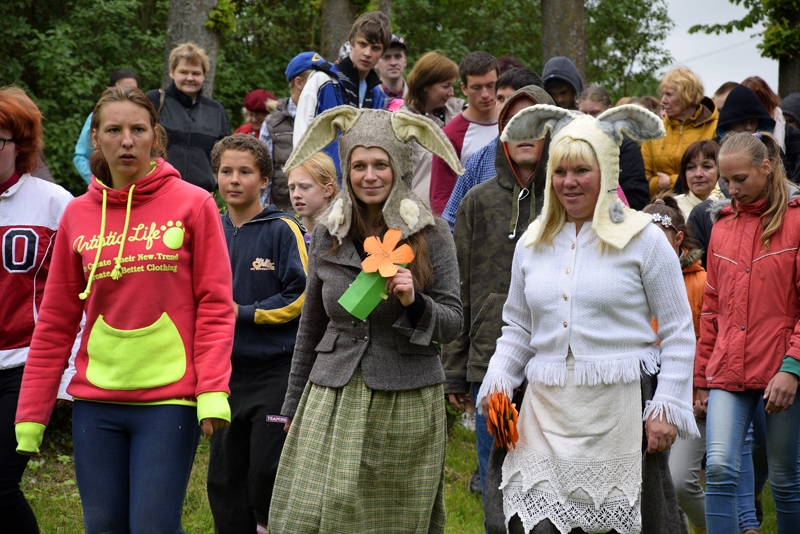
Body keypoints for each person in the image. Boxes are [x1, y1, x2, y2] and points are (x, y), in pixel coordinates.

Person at [14, 85, 234, 533]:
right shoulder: (76, 214)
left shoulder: (195, 204)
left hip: (168, 399)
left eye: (138, 129)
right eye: (114, 130)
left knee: (153, 526)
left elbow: (215, 305)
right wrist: (32, 413)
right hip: (96, 403)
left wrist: (213, 388)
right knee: (104, 526)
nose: (127, 140)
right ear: (96, 139)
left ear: (156, 135)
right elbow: (55, 322)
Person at [478, 103, 697, 534]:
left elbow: (677, 331)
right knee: (532, 524)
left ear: (607, 172)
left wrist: (668, 405)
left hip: (617, 409)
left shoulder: (645, 241)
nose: (569, 182)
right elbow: (518, 326)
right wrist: (499, 378)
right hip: (544, 408)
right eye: (560, 172)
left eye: (582, 170)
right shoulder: (532, 242)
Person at [267, 106, 463, 533]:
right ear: (348, 170)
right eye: (359, 165)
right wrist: (290, 408)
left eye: (381, 164)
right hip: (331, 396)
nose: (369, 176)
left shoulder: (432, 234)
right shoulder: (328, 233)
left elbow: (452, 324)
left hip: (404, 399)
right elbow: (310, 327)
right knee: (310, 515)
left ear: (399, 168)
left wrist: (416, 302)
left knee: (389, 520)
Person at [442, 84, 553, 510]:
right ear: (502, 132)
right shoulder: (476, 201)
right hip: (492, 367)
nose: (524, 133)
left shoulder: (571, 197)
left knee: (547, 471)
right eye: (514, 123)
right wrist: (456, 369)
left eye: (536, 123)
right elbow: (459, 292)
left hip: (555, 364)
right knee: (498, 466)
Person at [695, 131, 800, 534]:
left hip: (782, 369)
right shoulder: (721, 226)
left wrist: (792, 368)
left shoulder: (795, 220)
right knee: (719, 468)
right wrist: (702, 377)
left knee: (786, 481)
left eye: (740, 179)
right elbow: (712, 308)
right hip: (728, 367)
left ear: (767, 167)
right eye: (726, 180)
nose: (731, 190)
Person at [207, 134, 307, 534]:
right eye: (226, 171)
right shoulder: (209, 226)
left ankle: (268, 525)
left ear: (264, 179)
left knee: (266, 468)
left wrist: (243, 313)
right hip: (224, 372)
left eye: (245, 172)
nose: (234, 180)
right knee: (223, 476)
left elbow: (301, 296)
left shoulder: (283, 228)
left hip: (275, 371)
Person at [0, 86, 75, 534]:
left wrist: (67, 371)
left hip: (24, 366)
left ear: (20, 144)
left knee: (2, 485)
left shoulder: (53, 203)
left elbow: (79, 293)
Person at [642, 194, 708, 534]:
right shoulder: (634, 275)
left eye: (659, 236)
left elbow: (698, 338)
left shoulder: (699, 281)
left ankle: (720, 525)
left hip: (686, 392)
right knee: (658, 478)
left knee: (679, 477)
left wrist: (700, 387)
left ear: (678, 238)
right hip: (643, 390)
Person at [442, 68, 543, 231]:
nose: (504, 106)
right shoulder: (477, 161)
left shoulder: (560, 160)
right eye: (500, 98)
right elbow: (450, 224)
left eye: (512, 98)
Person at [292, 12, 391, 171]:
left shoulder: (377, 96)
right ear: (351, 43)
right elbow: (301, 137)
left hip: (360, 185)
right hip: (321, 182)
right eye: (363, 44)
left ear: (382, 52)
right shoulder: (322, 80)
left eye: (375, 48)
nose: (367, 53)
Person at [146, 42, 231, 192]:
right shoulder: (153, 102)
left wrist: (216, 182)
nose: (190, 78)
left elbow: (226, 153)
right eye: (184, 72)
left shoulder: (215, 110)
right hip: (157, 191)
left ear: (204, 75)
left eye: (196, 73)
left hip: (201, 194)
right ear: (172, 72)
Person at [429, 51, 499, 215]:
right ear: (464, 88)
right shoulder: (449, 135)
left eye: (491, 86)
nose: (485, 94)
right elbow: (440, 200)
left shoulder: (512, 124)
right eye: (476, 88)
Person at [260, 52, 329, 212]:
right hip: (283, 216)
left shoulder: (328, 117)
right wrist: (261, 217)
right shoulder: (273, 123)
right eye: (320, 80)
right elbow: (264, 173)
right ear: (300, 83)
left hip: (324, 215)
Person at [642, 67, 719, 196]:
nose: (662, 101)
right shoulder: (655, 130)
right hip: (664, 208)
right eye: (663, 94)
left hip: (705, 207)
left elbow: (721, 174)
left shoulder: (716, 127)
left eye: (669, 94)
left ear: (689, 95)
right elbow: (642, 179)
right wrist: (658, 184)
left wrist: (672, 183)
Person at [400, 51, 464, 206]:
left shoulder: (460, 114)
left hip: (458, 208)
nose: (451, 92)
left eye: (452, 85)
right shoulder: (403, 122)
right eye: (445, 86)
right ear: (425, 86)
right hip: (420, 211)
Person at [576, 85, 650, 210]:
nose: (588, 118)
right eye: (583, 113)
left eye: (594, 112)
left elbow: (637, 197)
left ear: (609, 111)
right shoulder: (572, 145)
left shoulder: (625, 147)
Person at [73, 69, 139, 184]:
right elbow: (80, 155)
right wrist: (98, 180)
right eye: (113, 130)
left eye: (134, 89)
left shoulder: (144, 116)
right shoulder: (97, 116)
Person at [287, 151, 338, 242]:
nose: (296, 195)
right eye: (292, 188)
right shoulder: (287, 237)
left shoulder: (342, 236)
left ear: (328, 190)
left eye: (304, 187)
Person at [674, 140, 722, 218]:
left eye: (707, 166)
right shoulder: (672, 207)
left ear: (720, 170)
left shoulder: (731, 205)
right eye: (691, 167)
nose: (698, 174)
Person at [376, 34, 408, 104]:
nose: (393, 63)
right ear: (376, 63)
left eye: (398, 56)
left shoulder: (418, 98)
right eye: (386, 57)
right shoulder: (367, 97)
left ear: (405, 61)